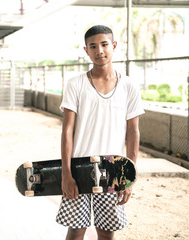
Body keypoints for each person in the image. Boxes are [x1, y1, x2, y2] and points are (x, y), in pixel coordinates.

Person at [56, 25, 145, 240]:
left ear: (114, 46)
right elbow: (67, 130)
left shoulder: (129, 86)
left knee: (107, 234)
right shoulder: (75, 84)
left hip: (114, 169)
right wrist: (66, 173)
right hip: (79, 169)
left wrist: (129, 177)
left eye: (104, 44)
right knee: (75, 232)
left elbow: (133, 132)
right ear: (86, 50)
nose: (100, 51)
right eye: (93, 46)